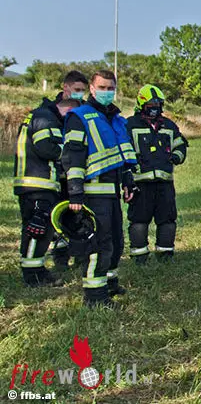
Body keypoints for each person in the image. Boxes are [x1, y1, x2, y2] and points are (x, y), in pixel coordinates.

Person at [61, 70, 138, 308]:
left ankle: (109, 283)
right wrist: (75, 192)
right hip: (92, 193)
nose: (106, 92)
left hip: (112, 193)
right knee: (99, 245)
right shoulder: (79, 117)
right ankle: (95, 297)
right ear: (92, 89)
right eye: (102, 87)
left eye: (110, 88)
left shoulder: (116, 119)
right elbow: (72, 157)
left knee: (116, 242)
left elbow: (123, 156)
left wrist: (128, 180)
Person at [13, 97, 83, 287]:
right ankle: (33, 275)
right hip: (38, 183)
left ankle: (36, 270)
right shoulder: (46, 118)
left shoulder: (41, 115)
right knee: (38, 228)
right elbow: (46, 148)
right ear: (69, 109)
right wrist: (71, 153)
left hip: (35, 183)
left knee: (40, 228)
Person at [126, 84, 188, 264]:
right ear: (141, 104)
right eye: (151, 104)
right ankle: (139, 257)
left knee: (167, 219)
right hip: (140, 182)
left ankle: (165, 255)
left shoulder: (168, 125)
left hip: (164, 182)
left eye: (158, 104)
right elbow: (124, 149)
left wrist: (176, 157)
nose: (155, 108)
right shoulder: (130, 125)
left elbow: (180, 145)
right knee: (139, 220)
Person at [41, 70, 89, 272]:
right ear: (65, 87)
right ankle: (60, 258)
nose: (80, 94)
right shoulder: (50, 111)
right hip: (56, 174)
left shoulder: (83, 111)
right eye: (77, 89)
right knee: (57, 219)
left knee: (79, 218)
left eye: (83, 90)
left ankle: (81, 256)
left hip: (77, 174)